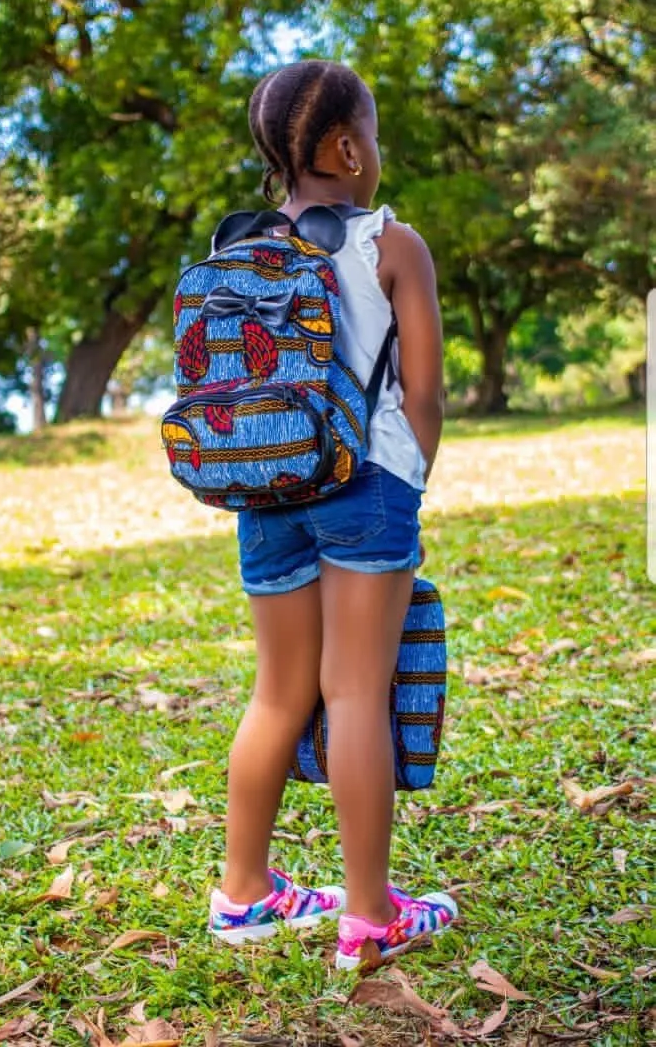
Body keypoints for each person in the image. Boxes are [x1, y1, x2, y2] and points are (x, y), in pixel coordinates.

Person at [208, 59, 457, 969]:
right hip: (365, 489)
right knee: (355, 689)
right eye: (376, 135)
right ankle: (368, 913)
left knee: (279, 692)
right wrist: (408, 478)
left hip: (263, 489)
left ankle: (242, 893)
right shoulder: (393, 246)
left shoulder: (237, 247)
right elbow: (423, 393)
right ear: (349, 149)